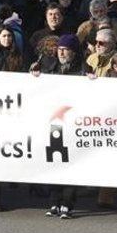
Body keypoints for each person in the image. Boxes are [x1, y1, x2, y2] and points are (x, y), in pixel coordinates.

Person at [33, 35, 85, 219]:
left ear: (73, 51)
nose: (61, 52)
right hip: (54, 123)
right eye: (60, 49)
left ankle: (67, 204)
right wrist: (36, 77)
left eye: (66, 49)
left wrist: (92, 79)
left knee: (71, 165)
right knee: (55, 162)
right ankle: (54, 201)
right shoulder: (51, 67)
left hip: (73, 123)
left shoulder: (82, 69)